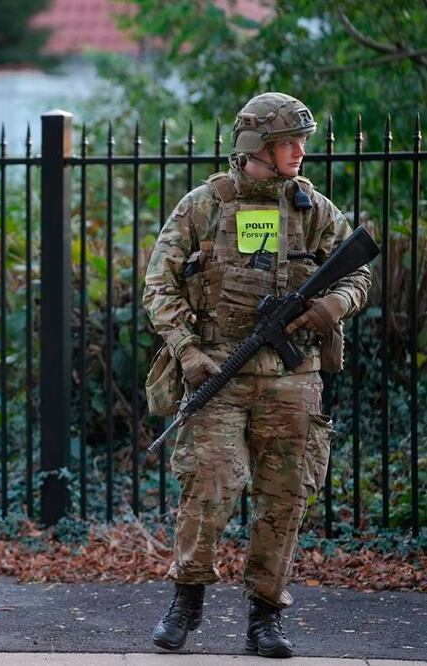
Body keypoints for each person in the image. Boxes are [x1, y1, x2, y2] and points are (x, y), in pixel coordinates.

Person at [142, 92, 371, 658]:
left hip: (293, 380)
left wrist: (329, 308)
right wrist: (188, 351)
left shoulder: (312, 209)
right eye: (288, 142)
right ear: (255, 148)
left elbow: (357, 272)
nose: (300, 152)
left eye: (301, 142)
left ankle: (265, 618)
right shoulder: (205, 206)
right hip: (220, 369)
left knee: (286, 496)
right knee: (210, 487)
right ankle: (186, 600)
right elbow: (159, 286)